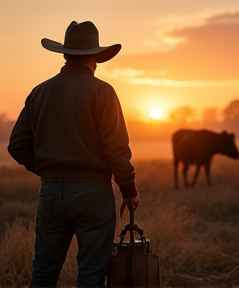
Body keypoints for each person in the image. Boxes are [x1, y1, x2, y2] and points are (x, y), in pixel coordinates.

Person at [8, 21, 139, 288]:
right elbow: (116, 149)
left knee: (43, 274)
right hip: (93, 192)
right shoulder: (103, 92)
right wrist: (129, 189)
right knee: (91, 277)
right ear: (96, 58)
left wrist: (49, 169)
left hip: (51, 192)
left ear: (65, 54)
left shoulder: (39, 92)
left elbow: (17, 145)